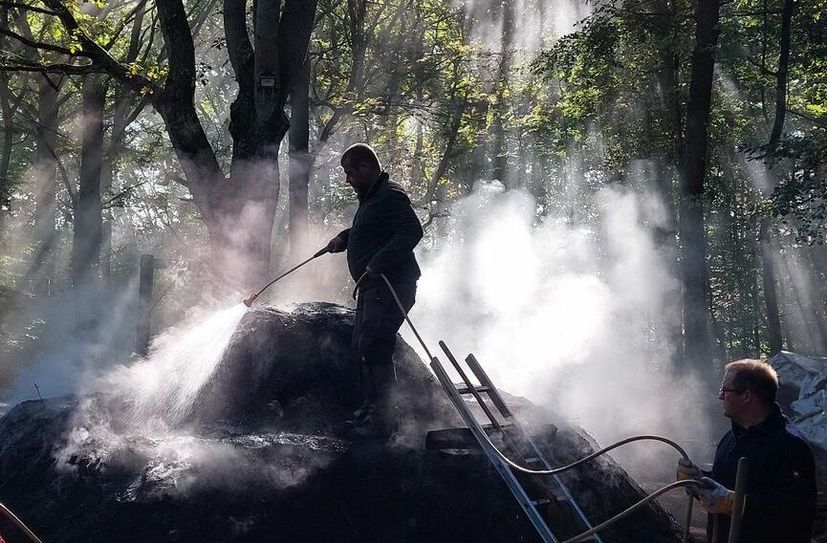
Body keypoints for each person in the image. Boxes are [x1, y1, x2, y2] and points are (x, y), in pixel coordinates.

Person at [325, 143, 423, 438]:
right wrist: (345, 237)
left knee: (375, 344)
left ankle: (383, 419)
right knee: (363, 345)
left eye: (350, 172)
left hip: (390, 285)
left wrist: (379, 262)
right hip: (373, 287)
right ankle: (371, 409)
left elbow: (412, 231)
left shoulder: (389, 195)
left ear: (366, 168)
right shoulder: (371, 199)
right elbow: (374, 230)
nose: (347, 179)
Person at [676, 359, 817, 543]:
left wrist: (737, 505)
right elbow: (725, 488)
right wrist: (697, 482)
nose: (720, 397)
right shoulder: (731, 438)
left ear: (747, 396)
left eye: (725, 391)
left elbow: (796, 513)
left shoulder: (790, 446)